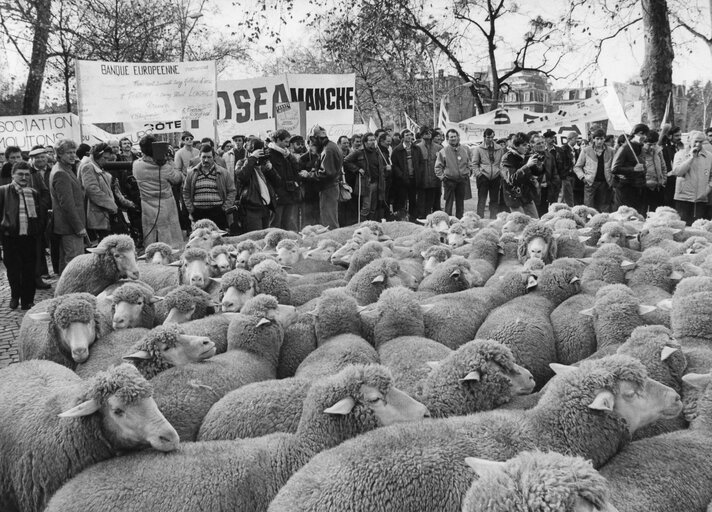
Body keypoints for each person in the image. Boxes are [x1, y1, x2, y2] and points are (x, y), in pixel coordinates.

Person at [0, 161, 42, 309]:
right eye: (20, 174)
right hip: (10, 237)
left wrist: (38, 231)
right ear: (13, 175)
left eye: (26, 174)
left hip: (29, 237)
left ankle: (27, 300)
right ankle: (15, 295)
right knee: (13, 270)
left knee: (29, 270)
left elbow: (38, 215)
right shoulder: (3, 191)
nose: (24, 177)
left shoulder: (33, 192)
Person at [133, 135, 184, 249]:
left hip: (146, 204)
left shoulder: (136, 165)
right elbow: (177, 178)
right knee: (168, 233)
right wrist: (171, 161)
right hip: (166, 204)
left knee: (150, 231)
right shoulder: (165, 167)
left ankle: (151, 252)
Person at [49, 139, 86, 273]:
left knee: (68, 261)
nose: (72, 155)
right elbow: (67, 205)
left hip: (68, 226)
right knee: (74, 263)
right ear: (59, 154)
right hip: (70, 226)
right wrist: (79, 226)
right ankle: (72, 291)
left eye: (73, 152)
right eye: (68, 153)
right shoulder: (61, 172)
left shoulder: (64, 169)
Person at [182, 143, 236, 230]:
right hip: (198, 213)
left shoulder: (223, 173)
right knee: (200, 240)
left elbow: (232, 191)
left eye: (209, 157)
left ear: (214, 157)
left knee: (218, 240)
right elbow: (186, 192)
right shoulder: (192, 173)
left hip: (218, 213)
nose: (206, 160)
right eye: (203, 157)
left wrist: (225, 208)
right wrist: (191, 209)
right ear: (199, 157)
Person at [298, 126, 342, 229]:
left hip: (328, 188)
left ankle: (331, 241)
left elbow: (326, 173)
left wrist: (308, 174)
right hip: (330, 187)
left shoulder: (328, 150)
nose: (311, 143)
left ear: (316, 138)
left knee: (328, 221)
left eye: (312, 140)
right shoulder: (330, 146)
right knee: (329, 218)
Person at [235, 138, 280, 231]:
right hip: (251, 209)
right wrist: (252, 158)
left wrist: (271, 170)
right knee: (256, 238)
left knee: (264, 238)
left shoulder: (263, 164)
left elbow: (278, 182)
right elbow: (242, 176)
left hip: (266, 208)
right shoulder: (242, 163)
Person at [78, 142, 119, 243]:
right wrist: (110, 204)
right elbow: (92, 189)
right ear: (97, 155)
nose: (105, 161)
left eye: (107, 158)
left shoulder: (94, 165)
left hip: (101, 212)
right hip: (97, 212)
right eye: (104, 158)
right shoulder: (88, 167)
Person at [670, 131, 712, 225]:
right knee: (682, 225)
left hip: (701, 198)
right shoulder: (680, 154)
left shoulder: (709, 156)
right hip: (683, 198)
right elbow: (677, 172)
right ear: (689, 140)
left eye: (701, 142)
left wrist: (707, 190)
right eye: (696, 141)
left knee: (697, 227)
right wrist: (690, 158)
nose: (698, 144)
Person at [344, 132, 385, 222]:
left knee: (373, 207)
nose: (373, 142)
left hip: (377, 182)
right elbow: (346, 161)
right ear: (365, 142)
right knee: (366, 207)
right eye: (370, 140)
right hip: (367, 183)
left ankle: (370, 226)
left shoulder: (377, 152)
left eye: (374, 140)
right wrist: (357, 169)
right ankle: (362, 225)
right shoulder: (359, 152)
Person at [501, 132, 541, 219]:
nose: (527, 147)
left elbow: (536, 173)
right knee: (520, 222)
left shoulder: (525, 156)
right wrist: (527, 166)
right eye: (524, 145)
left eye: (527, 144)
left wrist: (539, 164)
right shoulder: (507, 158)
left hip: (526, 195)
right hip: (513, 195)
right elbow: (511, 179)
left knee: (535, 220)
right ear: (516, 145)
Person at [434, 128, 473, 219]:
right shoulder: (443, 151)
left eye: (455, 136)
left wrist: (468, 173)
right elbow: (437, 167)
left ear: (458, 137)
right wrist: (443, 178)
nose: (453, 138)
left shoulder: (465, 149)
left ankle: (459, 221)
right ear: (447, 139)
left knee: (460, 203)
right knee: (449, 203)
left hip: (462, 181)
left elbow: (469, 163)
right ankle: (448, 221)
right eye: (451, 137)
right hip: (449, 181)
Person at [27, 146, 52, 287]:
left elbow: (45, 193)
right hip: (32, 215)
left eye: (43, 156)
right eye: (37, 157)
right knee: (37, 244)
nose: (41, 159)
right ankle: (40, 272)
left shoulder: (51, 169)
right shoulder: (30, 172)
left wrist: (42, 207)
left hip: (46, 212)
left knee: (47, 241)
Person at [574, 128, 615, 213]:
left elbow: (614, 167)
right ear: (593, 139)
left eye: (601, 139)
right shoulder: (586, 150)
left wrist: (612, 178)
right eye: (597, 139)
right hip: (590, 182)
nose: (599, 141)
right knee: (588, 208)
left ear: (604, 139)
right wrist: (583, 177)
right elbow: (577, 167)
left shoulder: (611, 151)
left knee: (603, 208)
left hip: (605, 183)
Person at [268, 129, 301, 231]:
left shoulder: (286, 154)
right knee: (275, 225)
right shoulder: (269, 154)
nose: (287, 145)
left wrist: (290, 157)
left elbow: (297, 169)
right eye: (285, 142)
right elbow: (271, 177)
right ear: (278, 140)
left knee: (288, 225)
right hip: (277, 196)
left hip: (289, 194)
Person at [611, 123, 648, 215]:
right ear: (636, 134)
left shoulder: (640, 148)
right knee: (625, 216)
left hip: (639, 187)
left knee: (638, 216)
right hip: (625, 188)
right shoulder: (625, 148)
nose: (645, 137)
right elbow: (614, 169)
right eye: (642, 134)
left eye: (645, 135)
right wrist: (633, 169)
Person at [391, 129, 424, 221]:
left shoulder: (416, 148)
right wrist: (401, 175)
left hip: (414, 179)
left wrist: (419, 172)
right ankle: (401, 219)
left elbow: (421, 162)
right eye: (406, 135)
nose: (409, 137)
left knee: (413, 200)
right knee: (402, 200)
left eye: (410, 135)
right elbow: (394, 165)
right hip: (402, 180)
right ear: (402, 137)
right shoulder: (397, 150)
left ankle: (413, 219)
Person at [471, 128, 504, 219]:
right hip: (483, 176)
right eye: (488, 137)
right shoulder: (478, 149)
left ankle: (493, 219)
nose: (490, 139)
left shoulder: (499, 148)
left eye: (492, 137)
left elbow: (502, 163)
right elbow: (474, 164)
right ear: (484, 137)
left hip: (496, 176)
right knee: (482, 200)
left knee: (494, 200)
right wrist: (479, 174)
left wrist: (500, 174)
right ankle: (479, 219)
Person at [415, 126, 442, 217]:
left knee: (434, 204)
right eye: (426, 132)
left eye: (430, 132)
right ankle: (421, 221)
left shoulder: (439, 148)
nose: (428, 134)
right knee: (421, 204)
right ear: (421, 135)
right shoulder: (417, 147)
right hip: (422, 181)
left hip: (435, 181)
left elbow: (442, 164)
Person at [640, 131, 667, 214]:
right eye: (649, 144)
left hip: (657, 186)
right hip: (644, 187)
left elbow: (663, 167)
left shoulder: (658, 151)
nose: (652, 147)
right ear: (643, 142)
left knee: (655, 213)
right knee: (642, 212)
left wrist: (663, 179)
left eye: (654, 144)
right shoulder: (639, 152)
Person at [660, 125, 683, 208]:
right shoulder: (665, 148)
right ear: (670, 136)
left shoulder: (680, 146)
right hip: (669, 180)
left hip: (678, 180)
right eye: (677, 135)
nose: (679, 137)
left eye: (680, 135)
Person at [557, 131, 578, 206]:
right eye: (575, 138)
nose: (576, 140)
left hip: (573, 175)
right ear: (570, 139)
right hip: (566, 176)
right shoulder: (563, 149)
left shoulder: (575, 150)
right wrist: (564, 173)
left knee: (569, 195)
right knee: (566, 196)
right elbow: (560, 163)